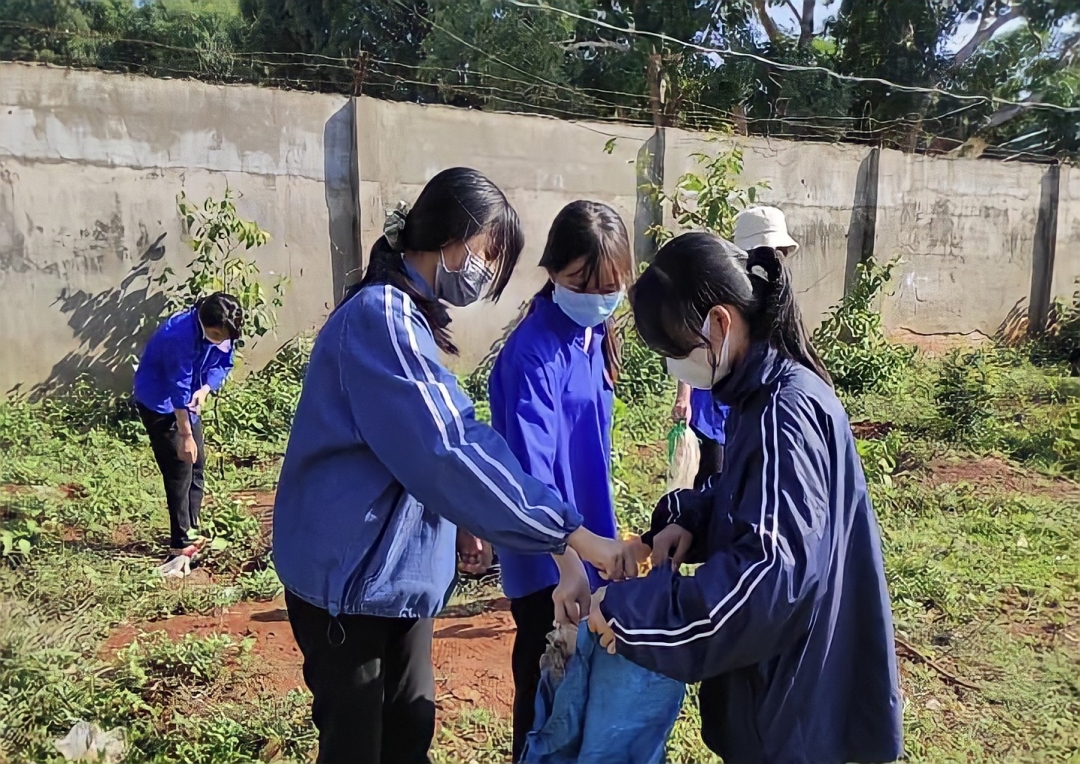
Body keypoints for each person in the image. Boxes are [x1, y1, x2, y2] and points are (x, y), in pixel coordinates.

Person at [271, 168, 639, 764]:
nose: (486, 273)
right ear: (451, 237)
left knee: (409, 732)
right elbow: (447, 445)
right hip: (349, 585)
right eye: (488, 253)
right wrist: (570, 536)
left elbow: (419, 452)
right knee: (358, 744)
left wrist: (463, 517)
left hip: (397, 585)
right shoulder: (381, 319)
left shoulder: (409, 318)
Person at [589, 232, 903, 764]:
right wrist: (690, 519)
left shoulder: (784, 413)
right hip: (786, 690)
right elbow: (756, 501)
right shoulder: (762, 396)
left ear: (719, 322)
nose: (676, 367)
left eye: (678, 349)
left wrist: (633, 614)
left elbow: (770, 582)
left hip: (793, 709)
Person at [487, 200, 633, 762]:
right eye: (582, 283)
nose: (599, 296)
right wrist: (566, 563)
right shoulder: (534, 352)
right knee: (543, 683)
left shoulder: (591, 334)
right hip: (547, 558)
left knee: (579, 677)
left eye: (610, 285)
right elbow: (530, 472)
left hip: (587, 545)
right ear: (552, 271)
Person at [670, 204, 801, 488]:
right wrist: (684, 395)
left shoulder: (781, 306)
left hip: (751, 406)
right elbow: (691, 342)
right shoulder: (719, 293)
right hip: (715, 399)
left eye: (778, 254)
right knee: (713, 472)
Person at [133, 292, 243, 566]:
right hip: (161, 402)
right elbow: (177, 386)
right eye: (217, 334)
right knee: (179, 469)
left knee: (197, 465)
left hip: (190, 402)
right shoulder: (177, 336)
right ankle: (179, 545)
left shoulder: (222, 332)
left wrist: (205, 389)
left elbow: (223, 362)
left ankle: (191, 532)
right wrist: (184, 434)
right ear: (205, 324)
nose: (222, 340)